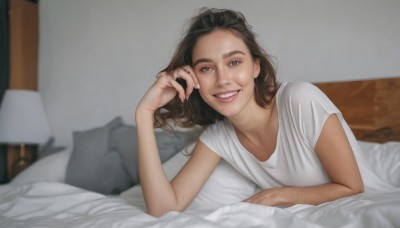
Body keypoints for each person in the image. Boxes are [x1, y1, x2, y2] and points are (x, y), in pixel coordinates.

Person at [135, 8, 364, 217]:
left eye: (234, 62)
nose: (223, 79)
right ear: (194, 79)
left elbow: (353, 187)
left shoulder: (300, 100)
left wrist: (277, 195)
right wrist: (145, 113)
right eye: (206, 68)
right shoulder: (219, 137)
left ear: (256, 67)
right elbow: (163, 208)